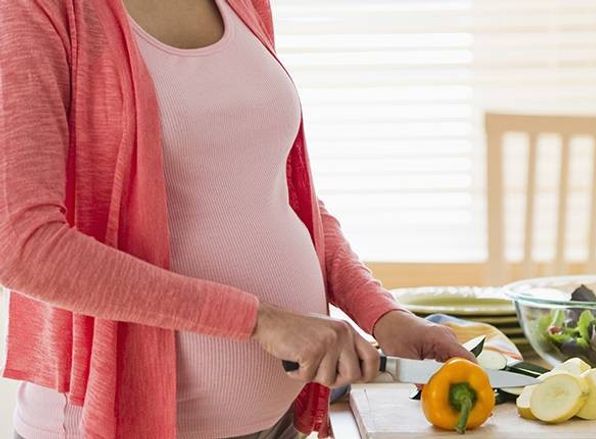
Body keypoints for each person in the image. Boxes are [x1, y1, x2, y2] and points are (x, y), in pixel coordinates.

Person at [0, 0, 473, 437]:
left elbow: (280, 194)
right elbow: (22, 247)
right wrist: (260, 321)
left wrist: (381, 313)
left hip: (279, 422)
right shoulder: (37, 12)